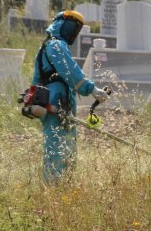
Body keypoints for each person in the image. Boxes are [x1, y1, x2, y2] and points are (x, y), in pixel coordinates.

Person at [32, 10, 109, 183]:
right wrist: (92, 89)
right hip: (57, 103)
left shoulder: (45, 47)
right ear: (62, 23)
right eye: (73, 26)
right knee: (59, 150)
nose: (74, 32)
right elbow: (70, 71)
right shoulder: (56, 45)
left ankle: (62, 188)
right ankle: (56, 190)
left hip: (56, 104)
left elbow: (35, 81)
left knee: (63, 147)